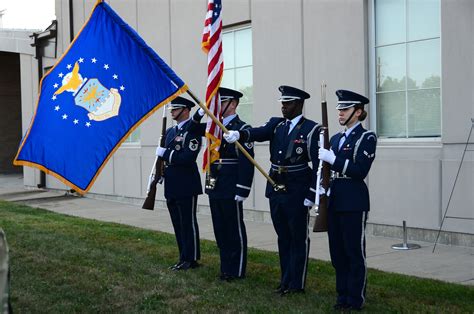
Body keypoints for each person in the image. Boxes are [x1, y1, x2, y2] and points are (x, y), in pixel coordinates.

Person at [224, 85, 321, 295]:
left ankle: (296, 283)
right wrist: (239, 134)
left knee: (298, 237)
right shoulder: (276, 125)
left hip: (297, 189)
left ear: (299, 104)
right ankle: (285, 279)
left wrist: (312, 193)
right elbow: (258, 133)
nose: (284, 107)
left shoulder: (312, 129)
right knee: (283, 236)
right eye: (282, 103)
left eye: (288, 103)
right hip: (276, 187)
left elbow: (318, 165)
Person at [318, 89, 377, 311]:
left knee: (354, 252)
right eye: (339, 109)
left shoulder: (366, 137)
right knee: (338, 252)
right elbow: (325, 172)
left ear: (358, 111)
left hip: (353, 200)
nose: (340, 113)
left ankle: (355, 298)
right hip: (335, 199)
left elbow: (359, 170)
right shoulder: (335, 138)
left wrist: (333, 158)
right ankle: (342, 295)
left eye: (345, 109)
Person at [193, 87, 255, 281]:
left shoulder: (242, 129)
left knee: (233, 227)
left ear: (234, 104)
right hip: (215, 183)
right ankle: (225, 267)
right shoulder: (213, 126)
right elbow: (191, 129)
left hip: (231, 184)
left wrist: (243, 188)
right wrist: (200, 113)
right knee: (220, 227)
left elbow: (247, 162)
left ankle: (236, 270)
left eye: (222, 102)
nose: (217, 106)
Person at [156, 96, 202, 271]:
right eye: (172, 109)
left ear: (186, 110)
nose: (173, 112)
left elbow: (188, 157)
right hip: (172, 182)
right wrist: (160, 173)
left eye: (176, 109)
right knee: (177, 222)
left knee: (187, 222)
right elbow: (164, 158)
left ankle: (191, 258)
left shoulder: (193, 131)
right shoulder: (170, 132)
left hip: (186, 183)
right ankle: (183, 255)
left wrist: (166, 154)